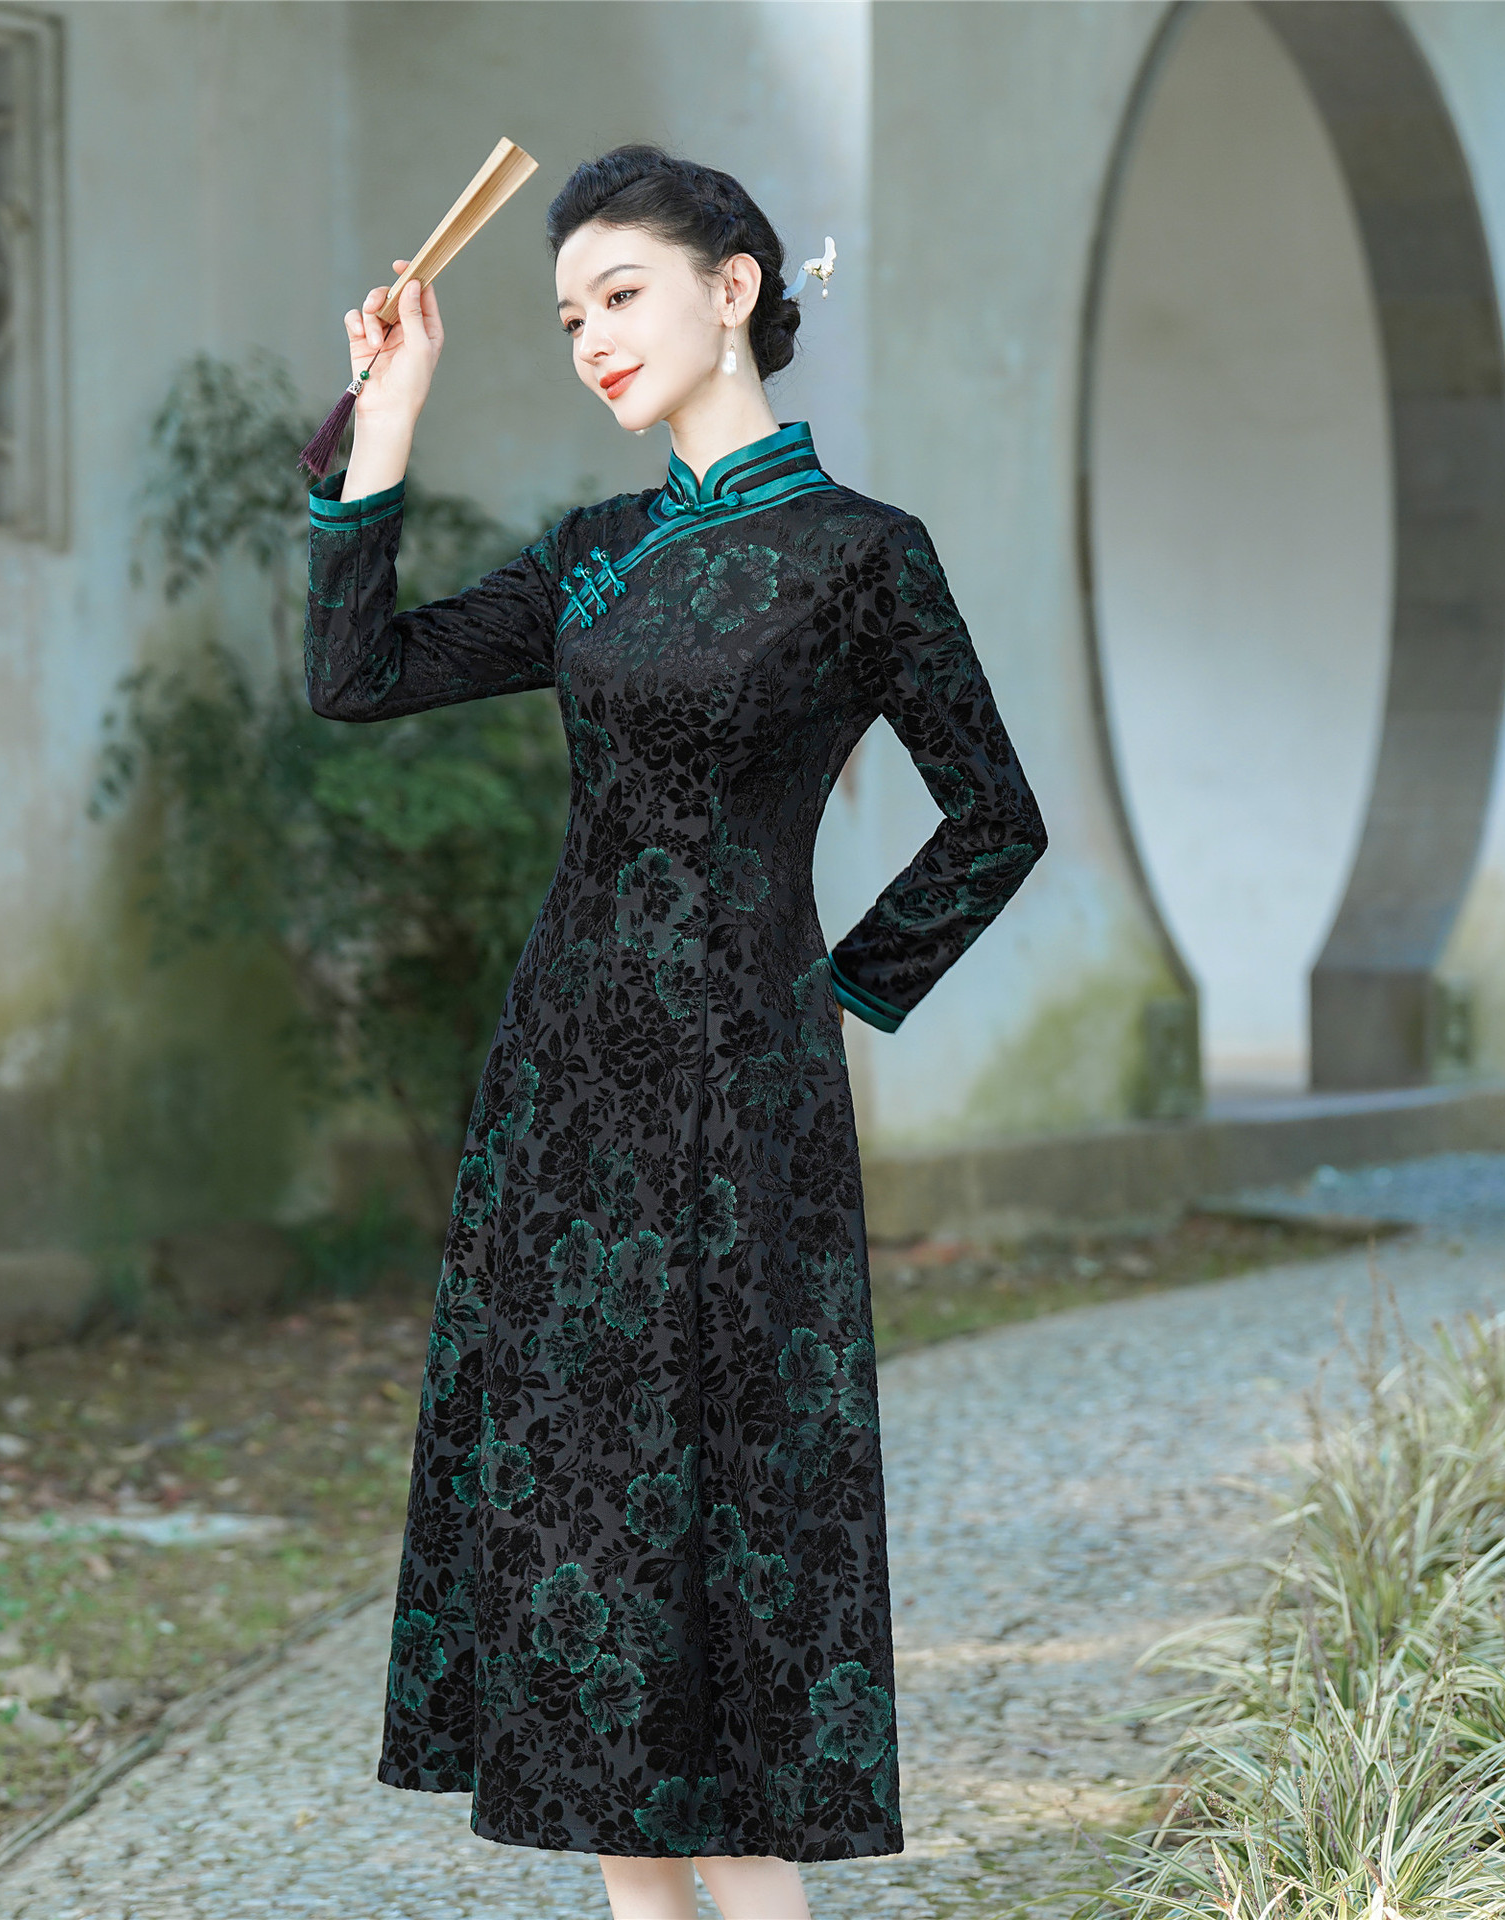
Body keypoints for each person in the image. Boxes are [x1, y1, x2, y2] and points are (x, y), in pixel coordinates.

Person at [302, 143, 1047, 1920]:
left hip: (740, 1104)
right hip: (560, 1095)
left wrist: (831, 993)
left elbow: (994, 820)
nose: (590, 339)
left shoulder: (863, 556)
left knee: (731, 1533)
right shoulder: (593, 558)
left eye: (619, 294)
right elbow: (357, 676)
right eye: (567, 317)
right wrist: (388, 414)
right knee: (583, 1539)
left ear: (734, 288)